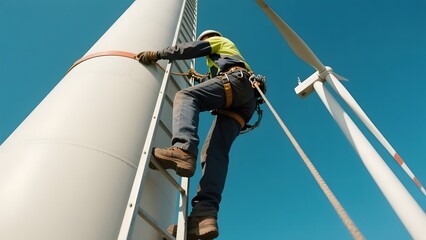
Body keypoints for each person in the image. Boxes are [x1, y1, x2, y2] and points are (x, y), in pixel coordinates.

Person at [137, 30, 257, 240]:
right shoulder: (221, 61)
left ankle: (183, 149)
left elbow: (190, 49)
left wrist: (158, 54)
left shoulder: (217, 41)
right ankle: (204, 216)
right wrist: (202, 77)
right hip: (246, 102)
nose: (203, 44)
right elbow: (216, 79)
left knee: (186, 96)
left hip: (236, 82)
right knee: (214, 152)